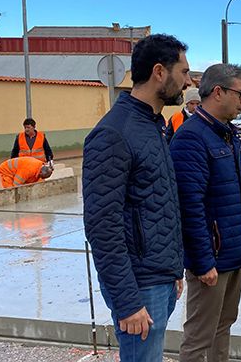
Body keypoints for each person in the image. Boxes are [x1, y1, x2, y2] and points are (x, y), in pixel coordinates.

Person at [82, 34, 192, 362]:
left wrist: (174, 269)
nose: (188, 81)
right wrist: (127, 301)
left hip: (159, 278)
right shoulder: (114, 134)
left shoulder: (154, 126)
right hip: (138, 287)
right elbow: (102, 226)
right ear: (160, 72)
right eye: (184, 72)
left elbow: (159, 203)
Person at [170, 64, 241, 362]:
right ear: (218, 92)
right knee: (199, 337)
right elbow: (189, 206)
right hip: (212, 261)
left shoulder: (227, 135)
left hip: (232, 254)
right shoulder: (191, 138)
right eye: (240, 94)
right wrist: (203, 262)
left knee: (223, 326)